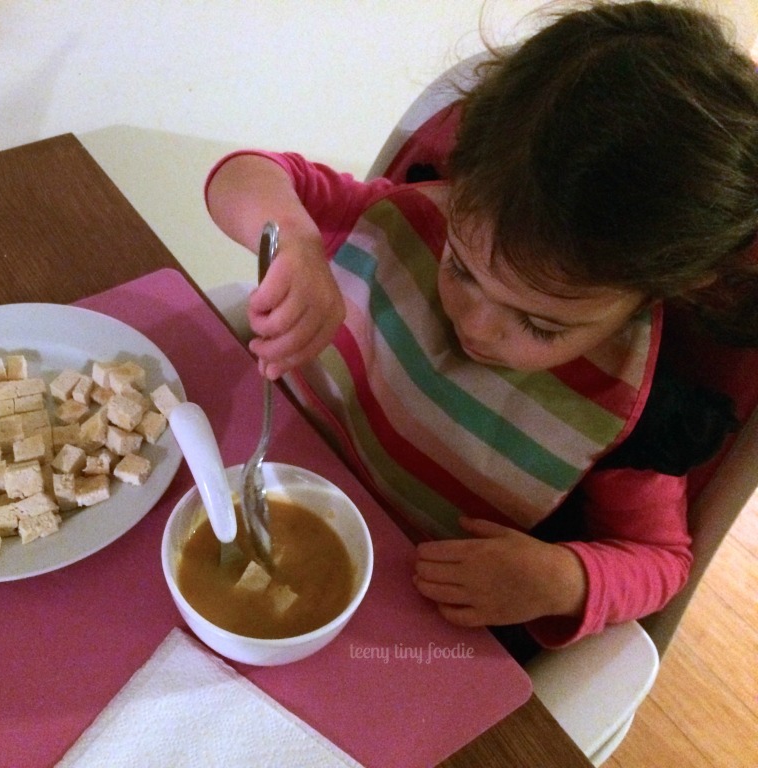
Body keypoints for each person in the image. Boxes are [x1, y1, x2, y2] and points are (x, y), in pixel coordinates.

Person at [204, 0, 758, 651]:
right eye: (461, 269)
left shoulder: (636, 413)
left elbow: (660, 562)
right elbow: (247, 175)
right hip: (248, 476)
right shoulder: (408, 217)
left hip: (396, 615)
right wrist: (292, 238)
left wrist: (562, 580)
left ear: (657, 288)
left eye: (539, 324)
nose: (477, 326)